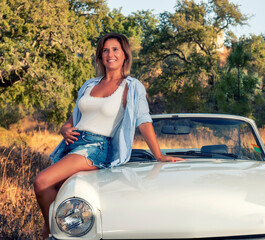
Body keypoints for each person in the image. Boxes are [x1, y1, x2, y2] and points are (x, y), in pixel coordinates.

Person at [33, 33, 183, 240]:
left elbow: (144, 120)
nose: (109, 54)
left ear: (124, 55)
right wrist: (64, 129)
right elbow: (74, 118)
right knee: (57, 192)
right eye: (105, 50)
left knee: (41, 181)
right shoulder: (89, 85)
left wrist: (158, 155)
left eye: (115, 49)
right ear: (100, 56)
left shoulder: (131, 86)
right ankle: (55, 230)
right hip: (72, 144)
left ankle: (52, 231)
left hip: (96, 147)